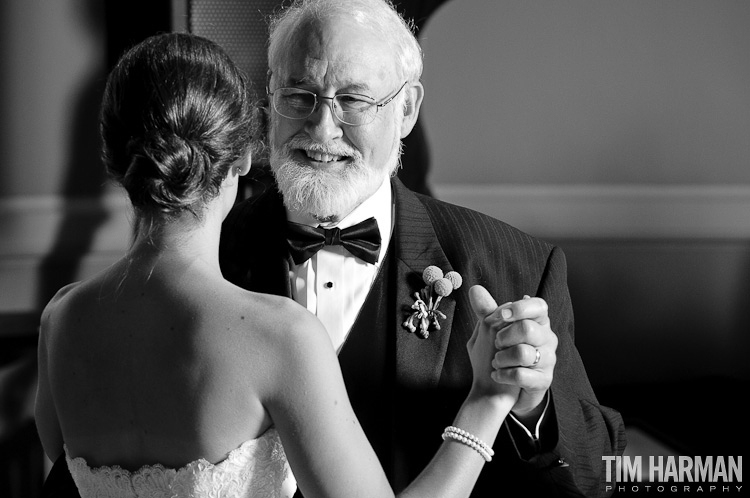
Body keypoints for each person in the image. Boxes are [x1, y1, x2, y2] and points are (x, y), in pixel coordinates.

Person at [35, 32, 538, 498]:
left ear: (116, 160)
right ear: (241, 161)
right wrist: (487, 402)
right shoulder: (280, 336)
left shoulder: (60, 321)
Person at [218, 0, 627, 497]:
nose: (322, 129)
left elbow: (597, 476)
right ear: (269, 101)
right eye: (300, 95)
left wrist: (531, 406)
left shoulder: (516, 267)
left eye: (353, 100)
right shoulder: (209, 254)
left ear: (407, 109)